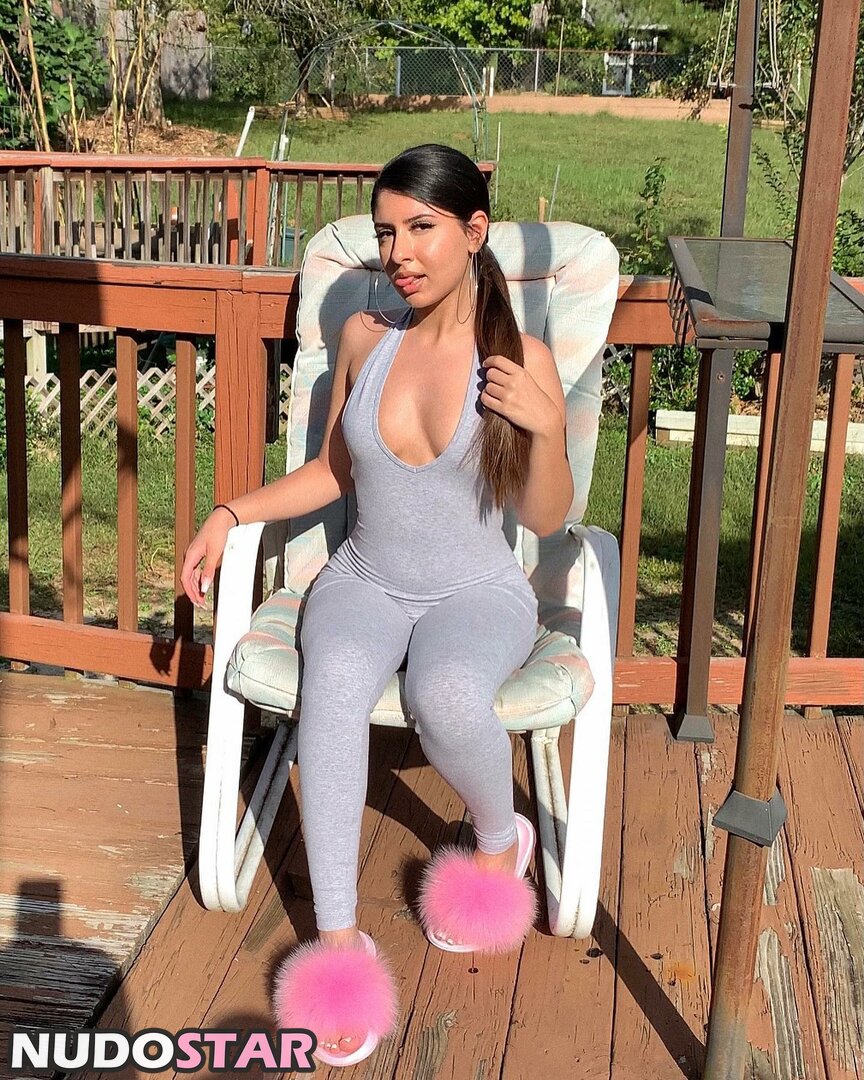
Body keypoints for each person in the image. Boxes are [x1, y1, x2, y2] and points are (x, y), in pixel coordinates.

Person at [180, 142, 573, 1067]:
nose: (400, 252)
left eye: (421, 228)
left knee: (447, 693)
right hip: (363, 576)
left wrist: (548, 426)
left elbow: (547, 517)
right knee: (333, 687)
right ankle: (338, 946)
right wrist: (231, 511)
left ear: (474, 231)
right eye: (386, 232)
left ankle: (498, 840)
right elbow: (334, 473)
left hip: (475, 588)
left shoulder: (519, 361)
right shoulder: (366, 337)